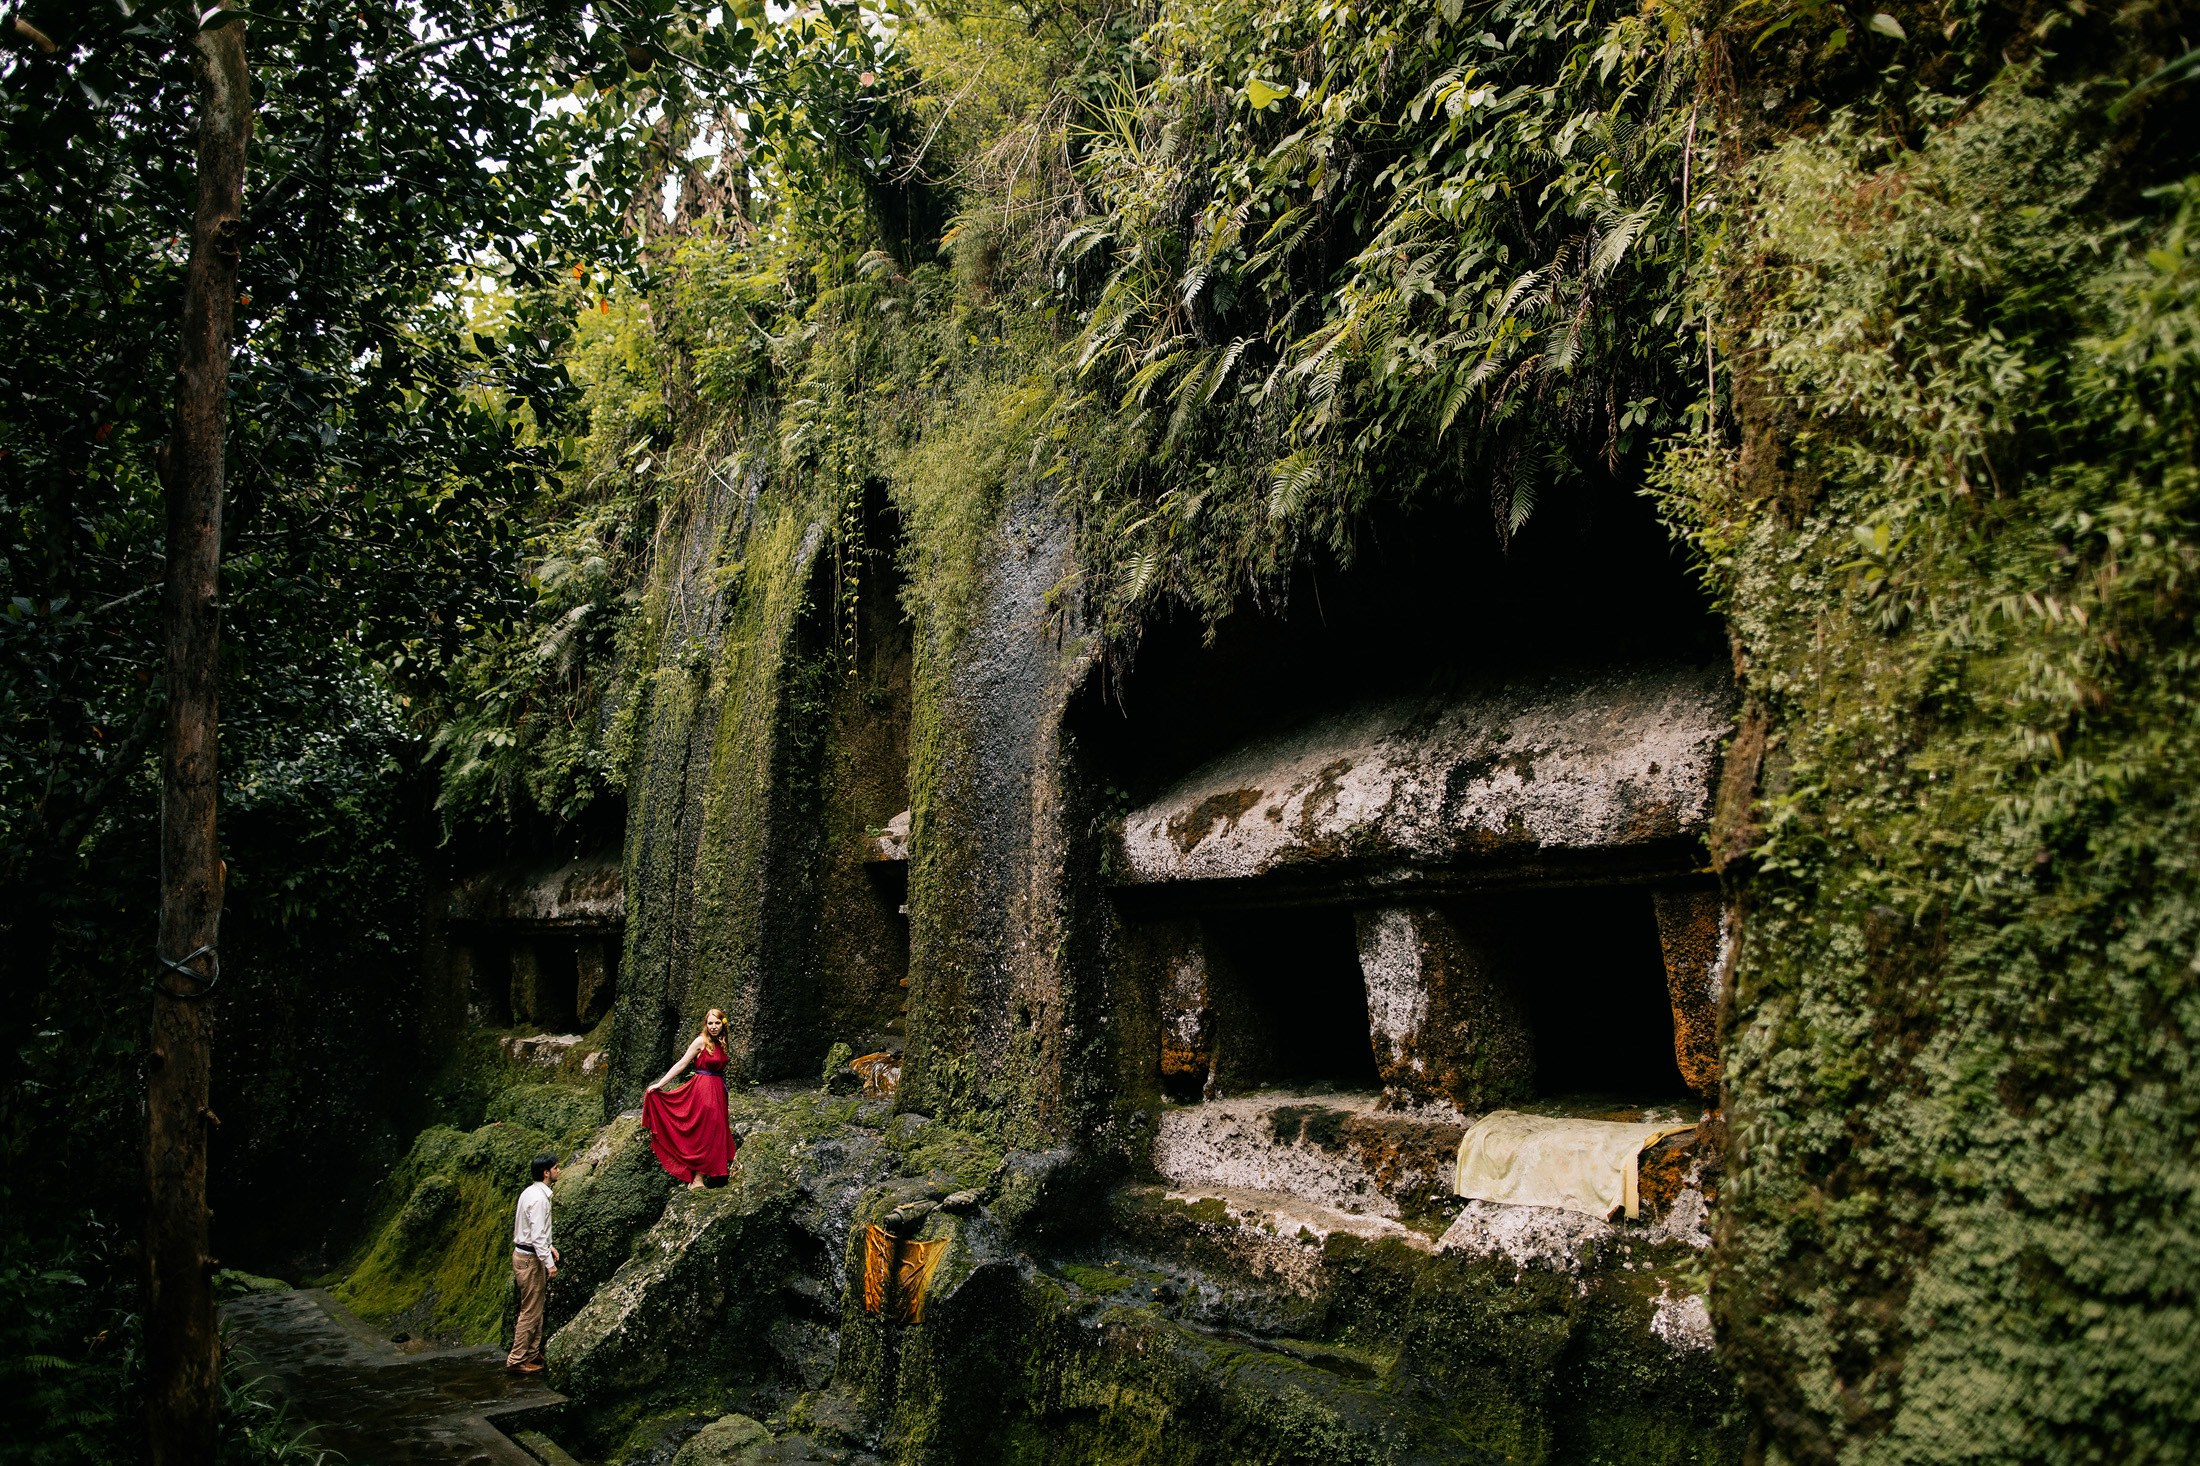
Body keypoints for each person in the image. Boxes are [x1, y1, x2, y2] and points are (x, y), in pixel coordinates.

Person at [642, 1007, 737, 1189]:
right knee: (706, 1131)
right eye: (710, 1023)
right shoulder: (701, 1041)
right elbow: (681, 1064)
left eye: (717, 1023)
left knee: (715, 1130)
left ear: (723, 1024)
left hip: (718, 1090)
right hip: (703, 1090)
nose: (714, 1026)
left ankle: (703, 1176)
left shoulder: (723, 1042)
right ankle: (697, 1179)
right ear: (705, 1024)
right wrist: (660, 1084)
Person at [507, 1151, 560, 1374]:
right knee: (530, 1310)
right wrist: (549, 1263)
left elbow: (532, 1230)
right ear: (546, 1172)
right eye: (556, 1168)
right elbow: (537, 1235)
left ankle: (531, 1353)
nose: (559, 1171)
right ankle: (516, 1360)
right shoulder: (539, 1199)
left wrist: (548, 1246)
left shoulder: (531, 1193)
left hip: (528, 1254)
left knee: (536, 1307)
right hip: (530, 1259)